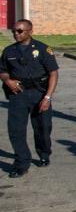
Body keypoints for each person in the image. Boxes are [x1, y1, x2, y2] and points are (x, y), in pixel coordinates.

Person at [0, 19, 59, 178]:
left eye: (19, 31)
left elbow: (53, 73)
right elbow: (3, 70)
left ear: (30, 31)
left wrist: (47, 97)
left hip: (39, 93)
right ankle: (21, 163)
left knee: (43, 129)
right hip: (18, 94)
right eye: (14, 31)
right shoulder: (9, 51)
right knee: (16, 130)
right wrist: (7, 80)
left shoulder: (42, 49)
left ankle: (44, 153)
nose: (15, 34)